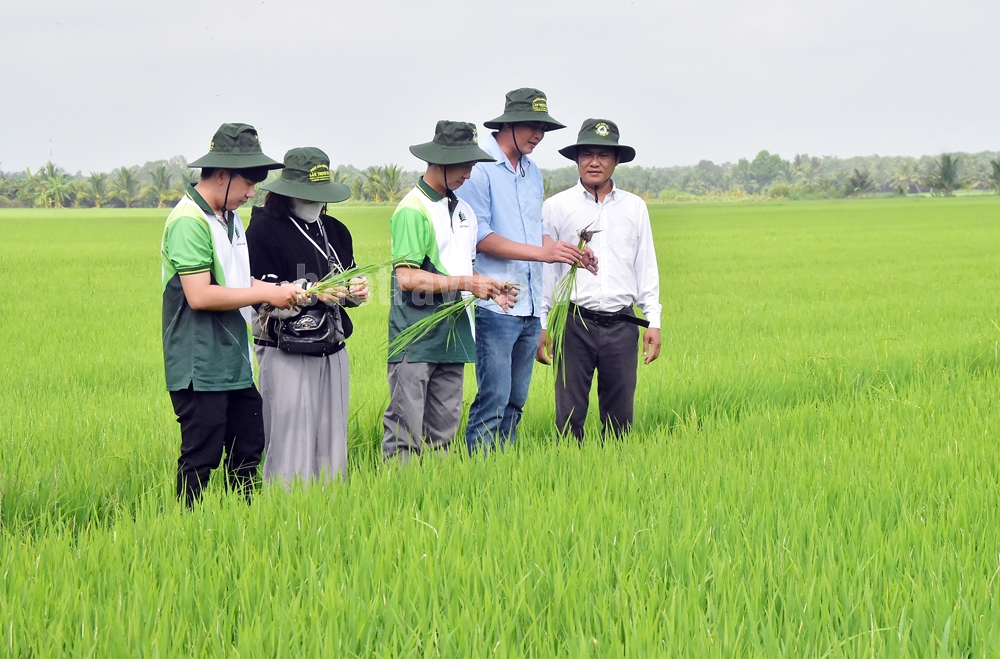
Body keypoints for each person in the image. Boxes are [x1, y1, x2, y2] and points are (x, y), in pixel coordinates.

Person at [161, 122, 301, 506]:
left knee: (248, 446)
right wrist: (267, 292)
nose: (252, 193)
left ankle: (241, 527)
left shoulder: (229, 218)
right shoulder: (189, 221)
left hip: (233, 359)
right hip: (199, 364)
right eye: (248, 182)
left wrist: (280, 292)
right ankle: (188, 532)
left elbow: (240, 280)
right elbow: (200, 295)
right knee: (202, 454)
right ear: (222, 175)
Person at [456, 87, 595, 454]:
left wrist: (567, 252)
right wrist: (541, 254)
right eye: (532, 126)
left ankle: (504, 468)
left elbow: (537, 233)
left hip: (531, 304)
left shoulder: (531, 172)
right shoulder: (480, 168)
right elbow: (480, 236)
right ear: (509, 124)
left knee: (517, 399)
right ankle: (478, 472)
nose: (538, 135)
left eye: (543, 128)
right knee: (494, 397)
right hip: (497, 304)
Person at [383, 120, 515, 462]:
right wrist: (467, 283)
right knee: (405, 431)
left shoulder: (465, 212)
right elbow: (407, 278)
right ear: (440, 161)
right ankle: (399, 500)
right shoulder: (412, 209)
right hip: (415, 336)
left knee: (444, 433)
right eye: (464, 165)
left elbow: (460, 267)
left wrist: (489, 288)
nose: (468, 174)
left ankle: (437, 499)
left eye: (472, 166)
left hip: (454, 336)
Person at [245, 147, 369, 484]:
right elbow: (262, 299)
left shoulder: (336, 230)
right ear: (288, 192)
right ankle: (284, 515)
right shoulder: (262, 231)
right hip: (285, 349)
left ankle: (326, 514)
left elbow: (348, 275)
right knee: (290, 443)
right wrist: (313, 292)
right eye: (308, 195)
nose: (315, 202)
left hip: (332, 347)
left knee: (331, 443)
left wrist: (356, 291)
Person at [537, 118, 662, 441]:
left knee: (620, 420)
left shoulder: (635, 208)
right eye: (587, 154)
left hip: (622, 325)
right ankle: (569, 476)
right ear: (577, 159)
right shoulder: (556, 207)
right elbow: (547, 271)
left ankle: (617, 478)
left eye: (604, 155)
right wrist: (541, 324)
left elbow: (645, 266)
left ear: (617, 160)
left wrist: (653, 321)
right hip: (573, 324)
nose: (595, 162)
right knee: (568, 419)